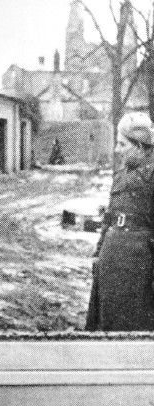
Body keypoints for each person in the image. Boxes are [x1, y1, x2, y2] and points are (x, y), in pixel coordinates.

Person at [86, 112, 154, 331]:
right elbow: (109, 217)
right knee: (107, 319)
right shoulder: (120, 175)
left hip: (139, 262)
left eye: (122, 144)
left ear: (140, 146)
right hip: (111, 256)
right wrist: (98, 253)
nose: (117, 150)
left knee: (135, 324)